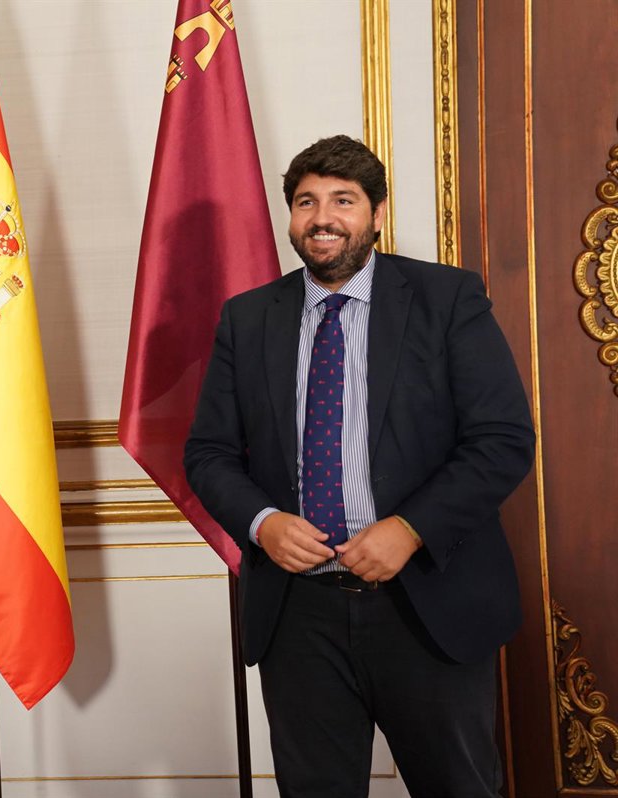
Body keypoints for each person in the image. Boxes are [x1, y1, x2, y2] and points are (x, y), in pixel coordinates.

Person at [184, 135, 534, 797]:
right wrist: (262, 523)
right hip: (297, 616)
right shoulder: (249, 318)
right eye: (306, 202)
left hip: (427, 603)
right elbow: (208, 453)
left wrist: (410, 528)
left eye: (343, 200)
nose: (323, 218)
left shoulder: (447, 298)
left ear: (376, 213)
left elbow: (501, 439)